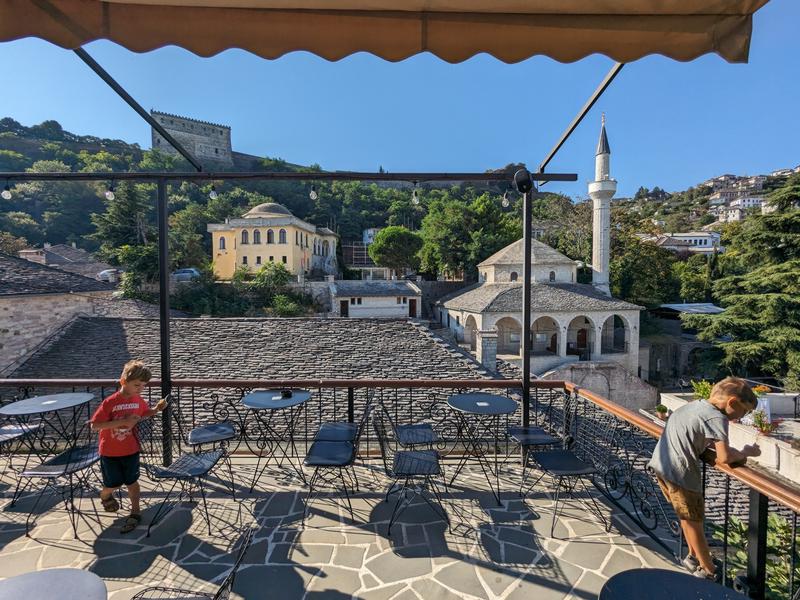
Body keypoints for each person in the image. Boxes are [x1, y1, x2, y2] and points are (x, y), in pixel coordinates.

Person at [648, 376, 760, 581]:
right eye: (745, 411)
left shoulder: (694, 407)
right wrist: (746, 452)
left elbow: (699, 439)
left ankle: (693, 556)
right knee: (695, 522)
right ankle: (709, 571)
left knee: (685, 517)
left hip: (662, 466)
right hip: (681, 474)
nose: (742, 417)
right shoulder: (718, 418)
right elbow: (724, 456)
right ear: (732, 402)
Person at [91, 360, 167, 534]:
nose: (140, 389)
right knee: (113, 484)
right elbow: (95, 425)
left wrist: (156, 409)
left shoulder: (138, 400)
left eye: (143, 386)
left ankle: (135, 512)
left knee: (132, 482)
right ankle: (105, 495)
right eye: (137, 385)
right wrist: (123, 421)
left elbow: (143, 413)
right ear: (123, 381)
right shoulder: (110, 402)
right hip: (109, 452)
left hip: (131, 449)